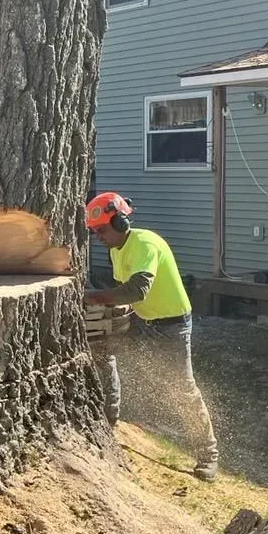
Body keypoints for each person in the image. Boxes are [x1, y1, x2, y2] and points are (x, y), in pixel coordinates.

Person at [85, 191, 219, 482]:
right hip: (143, 318)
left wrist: (92, 298)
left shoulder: (145, 243)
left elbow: (136, 290)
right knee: (102, 345)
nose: (98, 237)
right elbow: (124, 292)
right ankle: (109, 419)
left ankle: (208, 455)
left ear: (120, 223)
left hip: (172, 325)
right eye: (94, 232)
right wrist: (110, 314)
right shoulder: (116, 250)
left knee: (182, 389)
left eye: (102, 230)